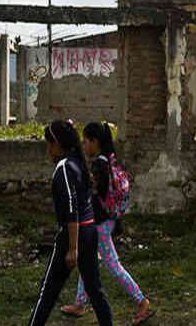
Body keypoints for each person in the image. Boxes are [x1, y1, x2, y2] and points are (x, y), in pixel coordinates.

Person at [60, 122, 153, 325]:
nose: (85, 145)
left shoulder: (99, 166)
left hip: (100, 224)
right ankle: (80, 303)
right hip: (107, 220)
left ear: (95, 142)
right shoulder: (109, 161)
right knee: (87, 260)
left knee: (113, 265)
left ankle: (141, 301)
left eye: (86, 141)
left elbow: (93, 192)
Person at [28, 120, 113, 326]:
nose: (48, 150)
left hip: (73, 235)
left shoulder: (65, 167)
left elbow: (71, 207)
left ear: (58, 144)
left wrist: (73, 247)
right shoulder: (78, 163)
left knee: (48, 291)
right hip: (89, 230)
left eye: (49, 144)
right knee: (94, 289)